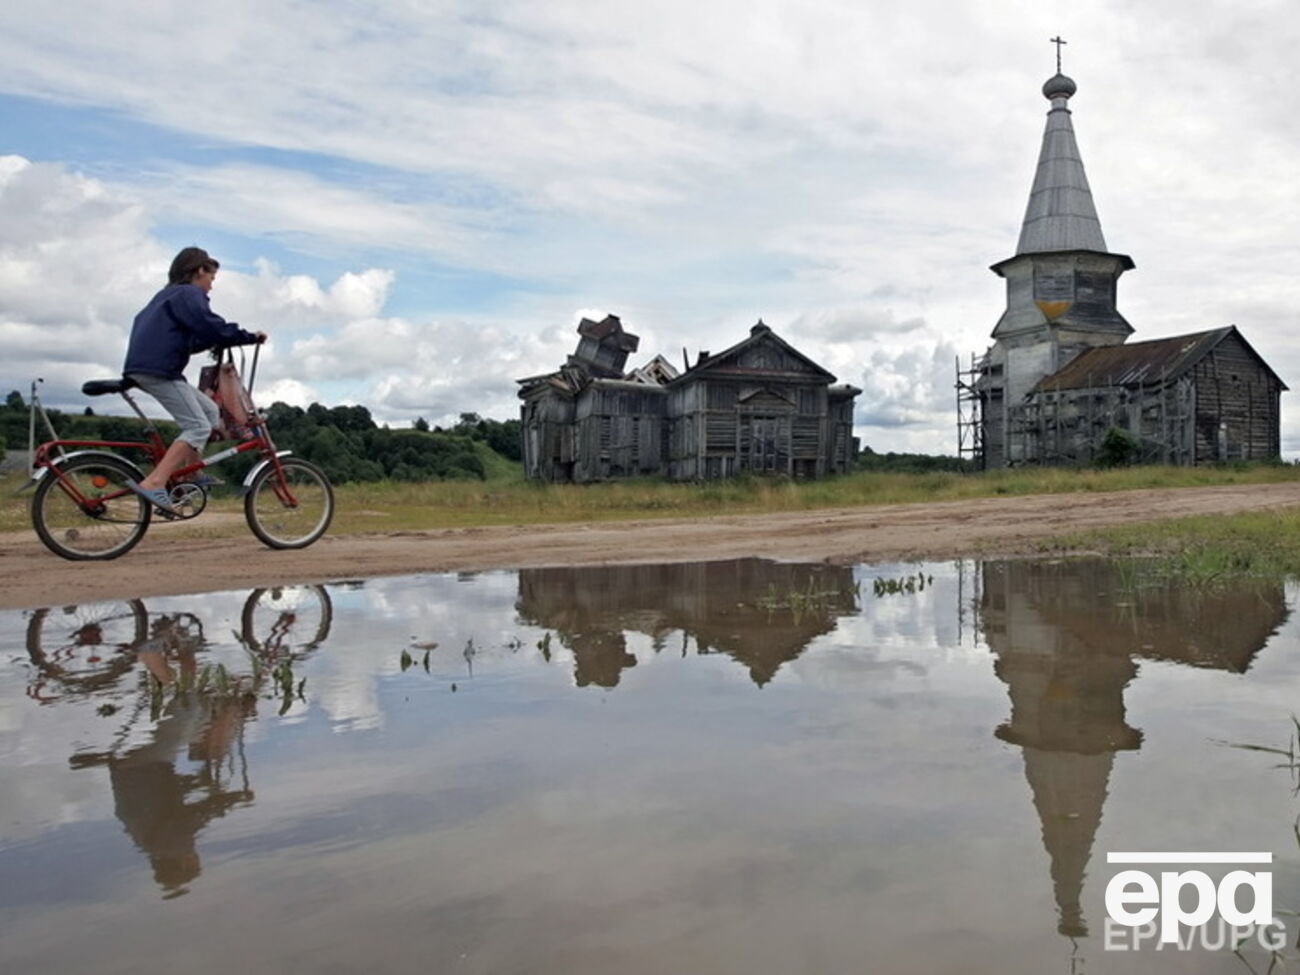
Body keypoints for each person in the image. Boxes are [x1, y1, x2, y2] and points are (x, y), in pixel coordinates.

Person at [123, 247, 265, 513]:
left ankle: (191, 475)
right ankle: (155, 481)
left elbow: (192, 337)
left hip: (148, 367)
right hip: (159, 371)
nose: (211, 286)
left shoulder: (166, 296)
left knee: (210, 412)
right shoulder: (190, 294)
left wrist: (217, 341)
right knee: (198, 426)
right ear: (200, 270)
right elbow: (209, 324)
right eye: (211, 278)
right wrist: (247, 336)